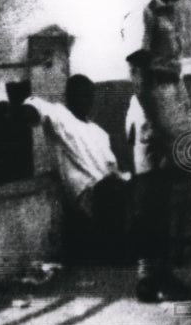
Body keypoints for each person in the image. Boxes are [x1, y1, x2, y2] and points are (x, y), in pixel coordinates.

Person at [122, 0, 191, 302]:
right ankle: (148, 278)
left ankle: (162, 275)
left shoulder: (167, 11)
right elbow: (140, 76)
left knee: (167, 195)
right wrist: (160, 125)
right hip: (152, 108)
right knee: (150, 197)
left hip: (171, 101)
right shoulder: (142, 12)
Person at [21, 74, 132, 263]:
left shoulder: (99, 132)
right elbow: (37, 107)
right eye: (80, 95)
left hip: (108, 187)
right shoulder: (60, 116)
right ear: (69, 97)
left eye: (89, 96)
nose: (85, 101)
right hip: (86, 193)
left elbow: (112, 166)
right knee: (110, 191)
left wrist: (125, 178)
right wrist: (25, 111)